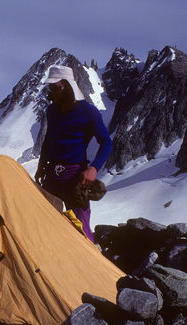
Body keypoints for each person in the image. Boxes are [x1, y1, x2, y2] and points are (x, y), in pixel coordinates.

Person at [35, 65, 113, 242]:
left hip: (75, 176)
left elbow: (106, 142)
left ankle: (91, 264)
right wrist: (41, 167)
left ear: (68, 86)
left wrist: (93, 168)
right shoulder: (52, 110)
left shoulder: (88, 112)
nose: (52, 92)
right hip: (52, 174)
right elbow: (49, 139)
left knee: (80, 226)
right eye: (50, 88)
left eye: (56, 88)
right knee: (45, 220)